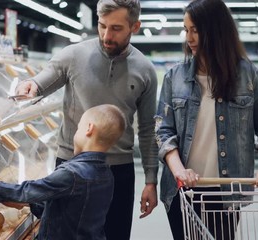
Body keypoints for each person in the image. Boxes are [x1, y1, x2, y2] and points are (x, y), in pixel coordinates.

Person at [15, 1, 158, 239]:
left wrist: (151, 180)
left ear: (135, 26)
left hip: (118, 173)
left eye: (116, 28)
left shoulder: (145, 70)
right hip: (71, 166)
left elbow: (147, 130)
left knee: (115, 235)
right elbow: (42, 81)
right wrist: (30, 85)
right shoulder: (73, 55)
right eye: (102, 26)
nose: (106, 35)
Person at [154, 0, 258, 239]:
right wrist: (180, 171)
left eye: (196, 30)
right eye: (186, 29)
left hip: (226, 193)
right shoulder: (174, 77)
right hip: (182, 191)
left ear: (216, 30)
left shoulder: (249, 76)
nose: (189, 38)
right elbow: (163, 131)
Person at [0, 104, 126, 240]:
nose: (75, 133)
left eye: (78, 128)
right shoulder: (106, 174)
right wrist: (29, 204)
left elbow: (26, 191)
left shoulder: (72, 173)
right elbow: (70, 211)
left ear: (89, 129)